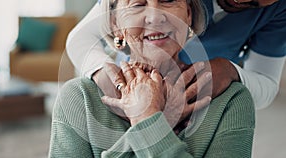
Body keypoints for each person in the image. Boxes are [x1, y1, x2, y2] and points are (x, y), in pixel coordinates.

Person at [49, 0, 255, 157]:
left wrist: (146, 119)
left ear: (189, 15)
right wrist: (155, 121)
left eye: (168, 0)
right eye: (138, 4)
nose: (155, 16)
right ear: (115, 23)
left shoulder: (232, 100)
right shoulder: (78, 97)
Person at [66, 0, 286, 109]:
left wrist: (230, 71)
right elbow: (81, 38)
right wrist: (110, 76)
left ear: (190, 14)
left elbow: (266, 82)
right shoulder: (80, 99)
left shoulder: (279, 10)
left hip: (207, 103)